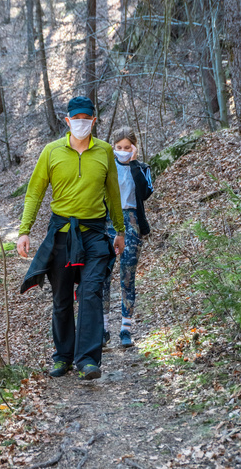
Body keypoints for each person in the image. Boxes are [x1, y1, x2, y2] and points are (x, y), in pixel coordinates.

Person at [17, 96, 125, 380]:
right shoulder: (51, 152)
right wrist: (24, 231)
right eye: (75, 119)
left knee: (90, 293)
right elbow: (35, 193)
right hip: (62, 235)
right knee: (62, 298)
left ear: (93, 120)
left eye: (85, 119)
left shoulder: (104, 152)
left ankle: (87, 360)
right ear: (67, 121)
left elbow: (113, 194)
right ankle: (63, 356)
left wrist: (120, 230)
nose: (80, 123)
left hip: (95, 235)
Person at [102, 127, 153, 348]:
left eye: (127, 147)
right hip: (107, 221)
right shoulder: (106, 167)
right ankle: (102, 329)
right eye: (119, 147)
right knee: (103, 274)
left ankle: (126, 328)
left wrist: (132, 163)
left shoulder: (141, 168)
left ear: (133, 147)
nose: (122, 151)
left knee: (127, 274)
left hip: (132, 221)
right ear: (114, 147)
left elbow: (145, 192)